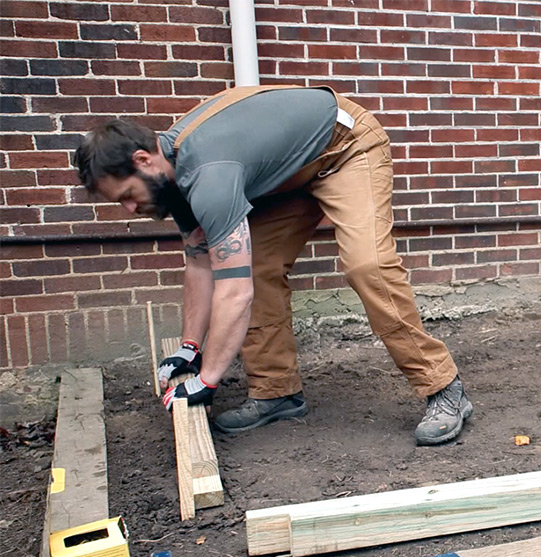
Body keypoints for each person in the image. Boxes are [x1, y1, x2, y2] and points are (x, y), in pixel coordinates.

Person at [73, 85, 473, 445]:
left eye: (127, 195)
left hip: (345, 148)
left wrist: (206, 380)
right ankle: (276, 392)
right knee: (258, 265)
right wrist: (188, 349)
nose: (129, 209)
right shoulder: (170, 178)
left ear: (143, 160)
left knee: (366, 264)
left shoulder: (207, 175)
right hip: (291, 173)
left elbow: (234, 291)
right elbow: (199, 263)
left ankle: (443, 387)